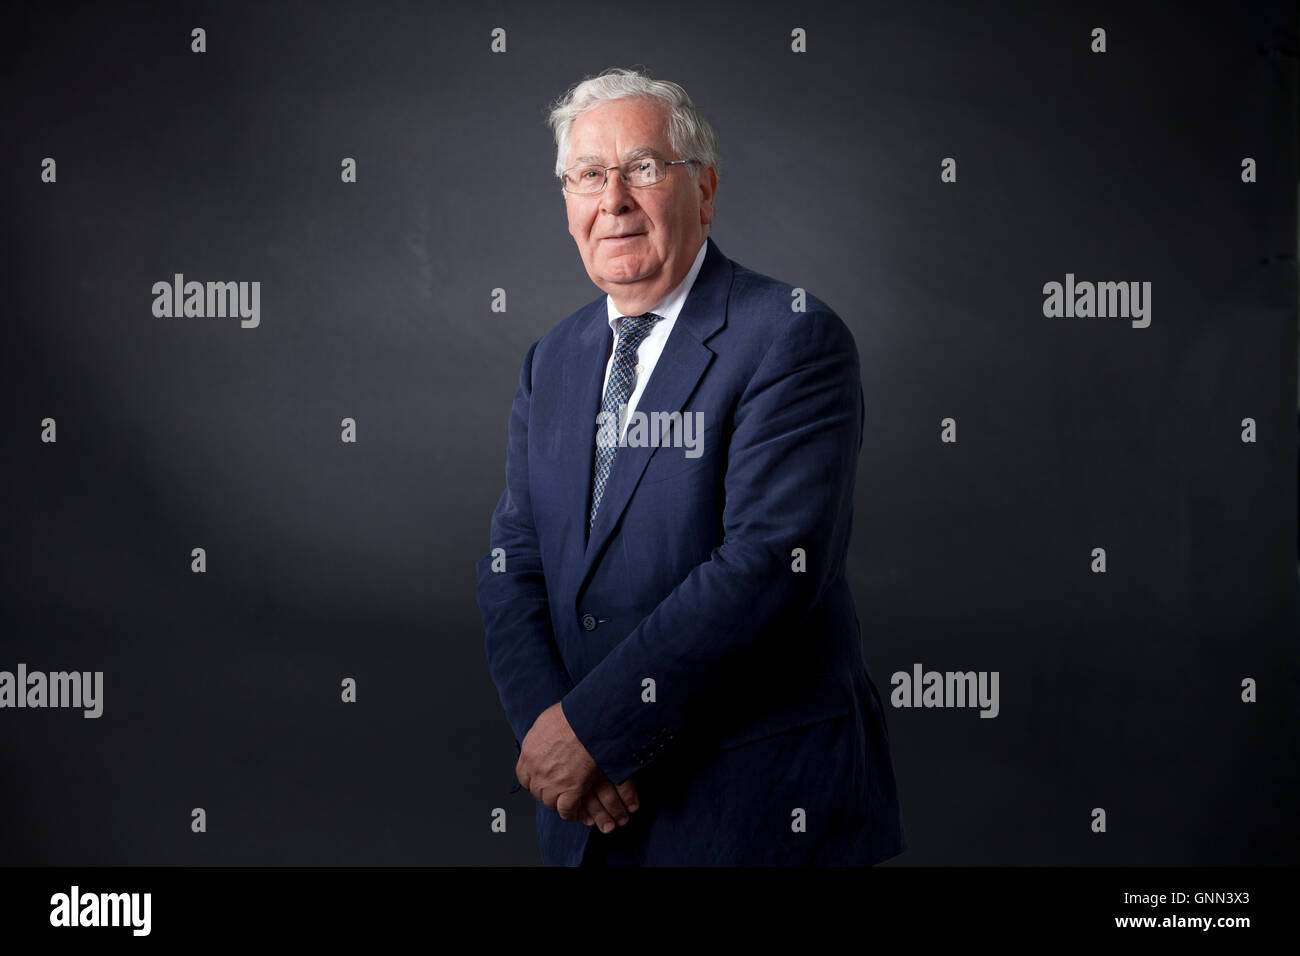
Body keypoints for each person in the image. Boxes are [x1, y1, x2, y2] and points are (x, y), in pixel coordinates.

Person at [475, 67, 906, 865]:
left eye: (642, 169)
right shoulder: (554, 360)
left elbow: (767, 568)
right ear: (567, 204)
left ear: (704, 190)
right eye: (587, 177)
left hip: (754, 810)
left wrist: (593, 733)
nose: (613, 201)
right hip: (589, 816)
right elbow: (514, 565)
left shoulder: (789, 337)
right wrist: (553, 740)